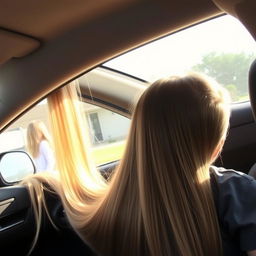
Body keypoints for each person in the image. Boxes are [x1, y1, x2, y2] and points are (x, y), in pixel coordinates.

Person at [22, 75, 256, 256]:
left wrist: (47, 179)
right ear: (218, 147)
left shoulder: (109, 209)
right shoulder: (235, 192)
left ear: (138, 136)